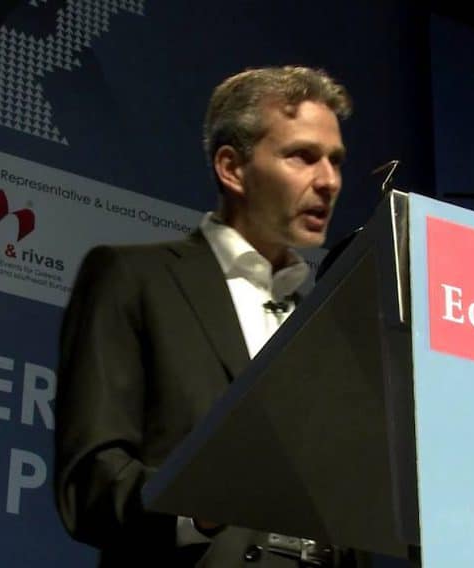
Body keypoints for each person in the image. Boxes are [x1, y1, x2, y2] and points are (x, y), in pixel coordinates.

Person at [55, 66, 354, 567]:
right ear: (232, 168)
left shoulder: (327, 324)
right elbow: (89, 484)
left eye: (336, 160)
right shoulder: (134, 278)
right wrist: (200, 506)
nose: (329, 181)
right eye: (302, 156)